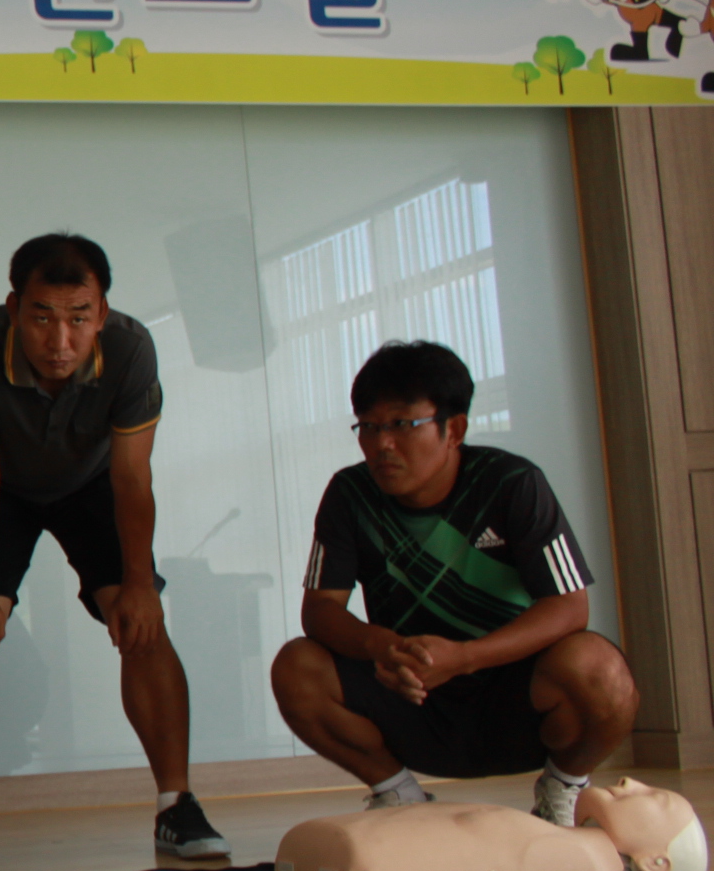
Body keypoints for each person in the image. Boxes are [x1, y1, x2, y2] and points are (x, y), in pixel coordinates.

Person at [0, 233, 230, 871]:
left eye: (78, 318)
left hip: (94, 484)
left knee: (142, 623)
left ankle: (176, 806)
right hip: (1, 488)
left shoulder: (131, 348)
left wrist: (140, 584)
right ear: (15, 308)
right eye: (42, 318)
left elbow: (132, 477)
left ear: (102, 313)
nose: (60, 341)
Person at [269, 340, 640, 826]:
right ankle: (397, 794)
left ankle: (562, 787)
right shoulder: (350, 494)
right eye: (369, 427)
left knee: (600, 671)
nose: (382, 444)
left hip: (515, 699)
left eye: (402, 425)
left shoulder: (512, 484)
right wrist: (382, 646)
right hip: (409, 695)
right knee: (296, 667)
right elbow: (320, 611)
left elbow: (570, 608)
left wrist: (463, 657)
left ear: (454, 430)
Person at [275, 779, 706, 871]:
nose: (632, 783)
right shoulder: (558, 845)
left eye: (657, 799)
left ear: (655, 863)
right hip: (353, 851)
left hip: (357, 858)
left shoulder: (567, 857)